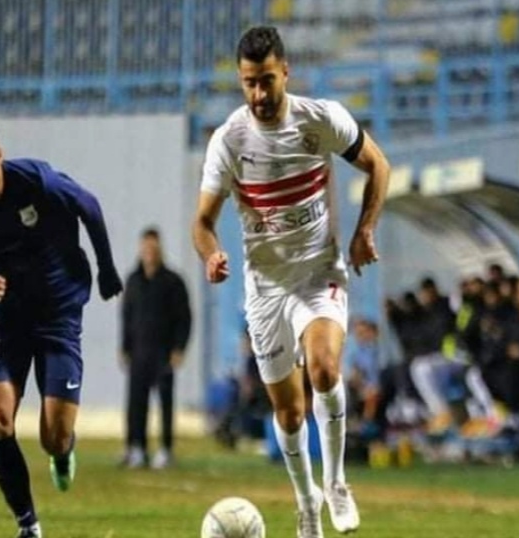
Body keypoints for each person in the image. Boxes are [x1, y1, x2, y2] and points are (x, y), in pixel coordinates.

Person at [192, 26, 390, 537]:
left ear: (286, 72)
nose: (258, 94)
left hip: (319, 273)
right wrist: (212, 255)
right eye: (249, 83)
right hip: (265, 289)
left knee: (324, 369)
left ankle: (337, 482)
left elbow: (378, 165)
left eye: (267, 81)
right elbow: (202, 223)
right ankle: (307, 504)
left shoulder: (321, 120)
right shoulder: (229, 140)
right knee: (289, 412)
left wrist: (365, 230)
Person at [0, 114, 123, 538]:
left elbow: (88, 205)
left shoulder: (36, 180)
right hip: (8, 320)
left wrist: (106, 268)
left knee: (53, 437)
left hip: (59, 314)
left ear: (0, 155)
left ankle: (63, 450)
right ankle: (28, 525)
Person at [120, 227, 192, 470]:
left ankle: (165, 449)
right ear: (141, 250)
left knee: (165, 403)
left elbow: (184, 318)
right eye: (146, 248)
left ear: (159, 249)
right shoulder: (133, 281)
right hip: (138, 353)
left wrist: (179, 348)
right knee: (136, 404)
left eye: (153, 248)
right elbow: (127, 317)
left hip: (164, 353)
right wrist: (124, 347)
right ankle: (136, 448)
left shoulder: (173, 282)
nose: (149, 252)